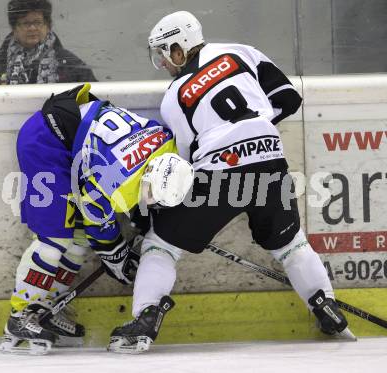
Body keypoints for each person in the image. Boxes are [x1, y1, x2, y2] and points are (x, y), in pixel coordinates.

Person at [108, 10, 352, 353]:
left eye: (163, 53)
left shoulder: (174, 97)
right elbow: (288, 98)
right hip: (270, 161)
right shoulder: (241, 52)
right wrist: (257, 130)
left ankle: (146, 318)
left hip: (219, 173)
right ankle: (325, 305)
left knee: (160, 246)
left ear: (179, 48)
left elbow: (187, 165)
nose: (163, 63)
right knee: (290, 244)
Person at [0, 82, 194, 355]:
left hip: (77, 136)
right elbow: (99, 229)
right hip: (46, 139)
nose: (149, 200)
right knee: (54, 239)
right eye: (150, 194)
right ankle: (20, 315)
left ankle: (46, 309)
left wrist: (136, 227)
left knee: (77, 240)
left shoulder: (167, 144)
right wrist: (117, 257)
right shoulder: (116, 181)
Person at [0, 0, 96, 85]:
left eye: (37, 22)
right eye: (26, 23)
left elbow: (95, 105)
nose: (32, 28)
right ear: (14, 28)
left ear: (48, 26)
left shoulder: (72, 66)